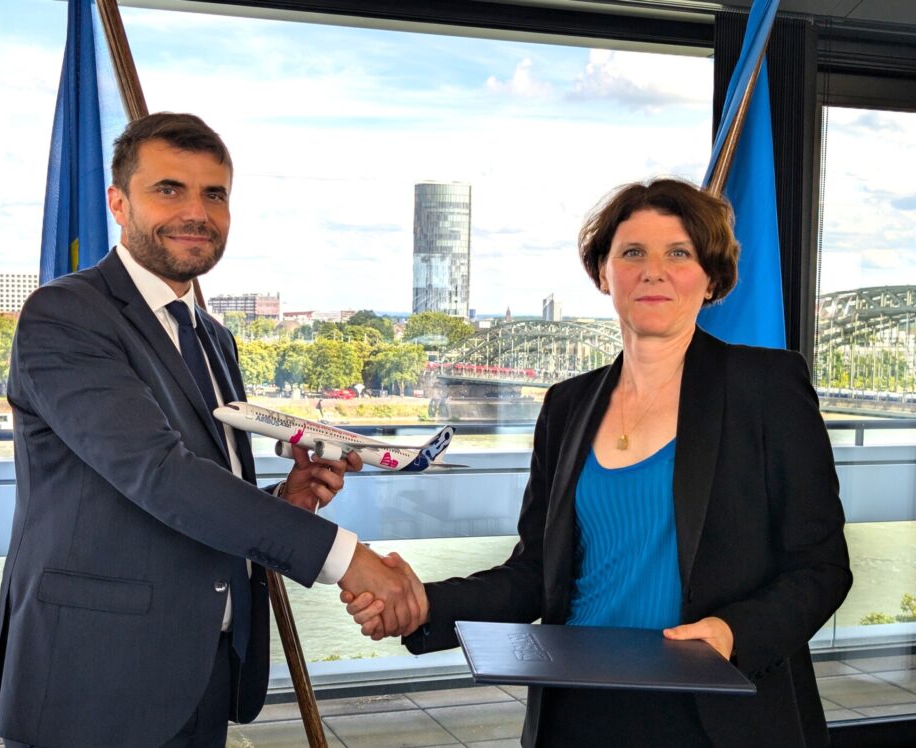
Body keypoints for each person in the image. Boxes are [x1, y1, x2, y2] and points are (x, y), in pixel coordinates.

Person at [344, 178, 852, 747]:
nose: (653, 270)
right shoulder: (567, 405)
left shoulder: (768, 388)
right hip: (578, 709)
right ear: (603, 273)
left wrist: (733, 634)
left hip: (718, 709)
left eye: (678, 253)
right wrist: (423, 605)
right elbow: (536, 573)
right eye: (632, 252)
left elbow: (821, 567)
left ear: (710, 277)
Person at [0, 112, 422, 748]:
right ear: (118, 203)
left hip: (202, 674)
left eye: (214, 194)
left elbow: (203, 499)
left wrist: (286, 501)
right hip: (92, 682)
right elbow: (160, 475)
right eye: (169, 189)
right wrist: (346, 558)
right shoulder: (66, 315)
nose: (196, 212)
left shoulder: (213, 338)